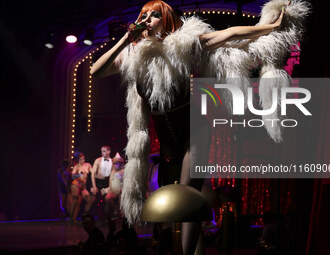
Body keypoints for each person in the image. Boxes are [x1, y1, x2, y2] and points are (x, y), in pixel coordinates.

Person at [90, 1, 310, 254]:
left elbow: (229, 34)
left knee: (187, 198)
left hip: (193, 134)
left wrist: (271, 26)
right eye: (144, 15)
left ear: (167, 22)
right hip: (166, 140)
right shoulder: (134, 55)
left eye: (154, 16)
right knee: (169, 203)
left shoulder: (184, 46)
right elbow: (97, 71)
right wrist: (126, 40)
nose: (147, 20)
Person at [70, 153, 94, 223]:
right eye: (80, 159)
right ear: (78, 160)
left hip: (83, 187)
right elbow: (72, 176)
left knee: (89, 200)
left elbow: (93, 172)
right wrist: (80, 174)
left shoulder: (88, 165)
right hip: (76, 185)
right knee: (75, 201)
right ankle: (71, 219)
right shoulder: (76, 166)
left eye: (83, 159)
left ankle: (84, 214)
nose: (82, 160)